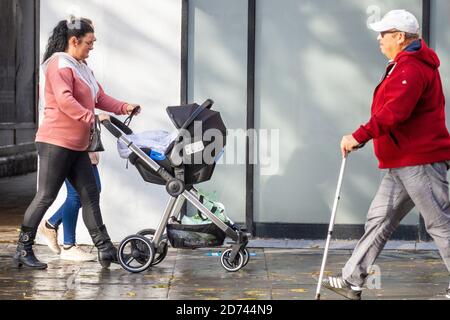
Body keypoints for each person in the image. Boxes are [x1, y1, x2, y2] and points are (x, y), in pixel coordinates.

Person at [323, 10, 450, 300]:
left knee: (440, 224)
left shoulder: (411, 68)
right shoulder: (403, 64)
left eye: (384, 34)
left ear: (400, 37)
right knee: (378, 220)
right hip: (402, 161)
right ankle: (352, 280)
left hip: (420, 161)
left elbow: (394, 113)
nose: (379, 39)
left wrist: (359, 135)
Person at [12, 16, 141, 270]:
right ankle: (22, 248)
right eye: (89, 42)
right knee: (46, 196)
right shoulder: (59, 64)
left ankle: (105, 249)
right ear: (74, 40)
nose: (92, 47)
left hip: (78, 144)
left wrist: (124, 106)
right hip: (55, 142)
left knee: (90, 195)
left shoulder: (82, 67)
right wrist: (92, 118)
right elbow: (65, 101)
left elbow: (99, 97)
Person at [37, 152, 101, 262]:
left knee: (92, 191)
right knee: (76, 194)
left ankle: (51, 224)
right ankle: (68, 246)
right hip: (72, 149)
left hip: (83, 149)